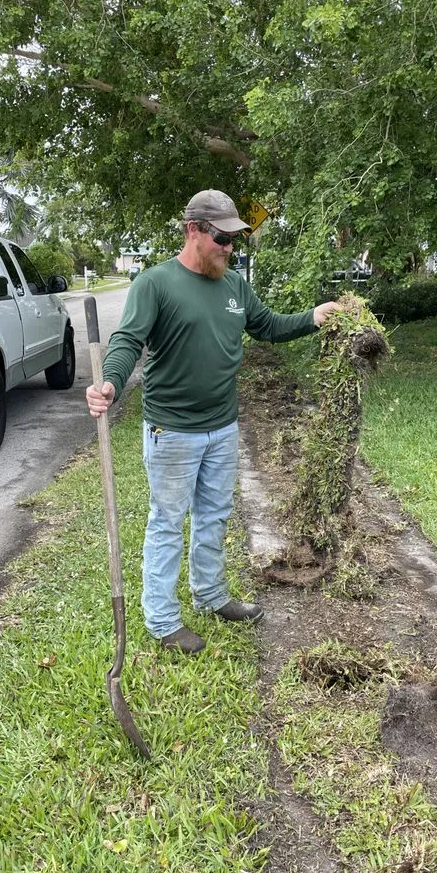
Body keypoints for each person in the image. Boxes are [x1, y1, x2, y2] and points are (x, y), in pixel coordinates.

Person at [86, 189, 340, 655]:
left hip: (222, 427)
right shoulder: (156, 284)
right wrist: (110, 383)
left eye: (234, 240)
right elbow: (127, 341)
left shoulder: (234, 286)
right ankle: (162, 620)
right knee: (168, 523)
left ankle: (210, 595)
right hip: (172, 430)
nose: (229, 247)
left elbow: (268, 326)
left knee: (215, 516)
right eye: (221, 238)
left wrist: (313, 317)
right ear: (193, 231)